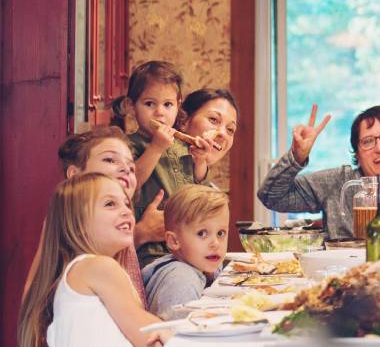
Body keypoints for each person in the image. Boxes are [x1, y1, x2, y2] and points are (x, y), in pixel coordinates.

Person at [259, 104, 380, 243]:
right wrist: (296, 156)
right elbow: (271, 196)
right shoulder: (337, 182)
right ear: (357, 153)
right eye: (368, 141)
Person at [18, 173, 169, 347]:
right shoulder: (98, 267)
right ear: (77, 224)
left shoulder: (81, 272)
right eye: (110, 204)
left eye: (127, 204)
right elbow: (148, 334)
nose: (127, 210)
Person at [23, 127, 159, 306]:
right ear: (75, 175)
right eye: (110, 160)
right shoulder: (67, 215)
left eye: (131, 167)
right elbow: (37, 284)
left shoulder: (124, 217)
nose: (125, 169)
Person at [135, 88, 237, 267]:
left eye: (230, 130)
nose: (222, 133)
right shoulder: (145, 155)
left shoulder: (207, 184)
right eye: (213, 120)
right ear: (183, 121)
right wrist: (142, 233)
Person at [143, 185, 229, 320]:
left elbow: (216, 269)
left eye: (221, 233)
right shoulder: (182, 281)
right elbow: (179, 332)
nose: (216, 243)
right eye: (202, 233)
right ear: (174, 241)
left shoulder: (193, 262)